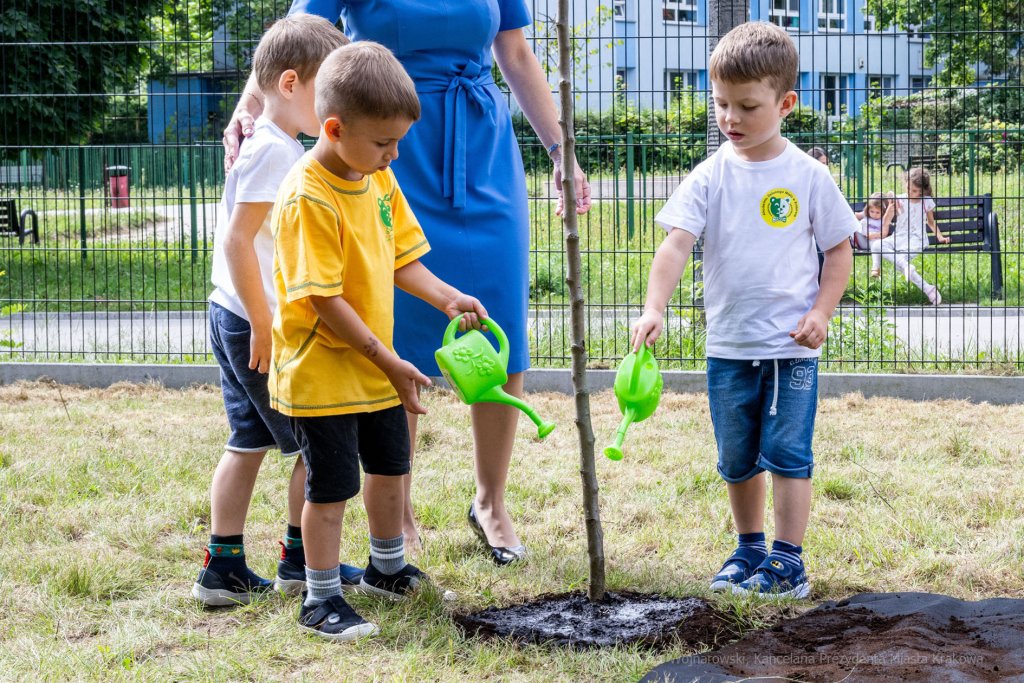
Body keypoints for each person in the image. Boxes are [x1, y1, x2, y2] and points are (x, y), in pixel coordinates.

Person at [223, 0, 593, 564]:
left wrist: (561, 150)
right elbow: (292, 40)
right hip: (380, 137)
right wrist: (251, 107)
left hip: (479, 141)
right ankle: (398, 514)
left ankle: (492, 503)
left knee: (499, 318)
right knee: (385, 319)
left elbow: (515, 50)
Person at [270, 42, 488, 640]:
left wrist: (447, 296)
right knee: (333, 487)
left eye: (398, 142)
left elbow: (402, 258)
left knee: (391, 469)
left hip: (376, 368)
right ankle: (319, 598)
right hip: (323, 374)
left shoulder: (377, 179)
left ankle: (387, 568)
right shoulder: (307, 196)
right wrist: (390, 361)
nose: (394, 155)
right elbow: (324, 300)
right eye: (383, 143)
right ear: (334, 128)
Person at [631, 22, 857, 599]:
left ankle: (789, 561)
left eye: (747, 106)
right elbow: (675, 243)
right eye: (720, 104)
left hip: (788, 348)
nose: (730, 118)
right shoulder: (710, 174)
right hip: (727, 346)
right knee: (735, 456)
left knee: (786, 451)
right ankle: (749, 547)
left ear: (786, 104)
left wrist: (822, 314)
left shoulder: (809, 176)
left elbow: (838, 252)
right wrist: (654, 306)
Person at [192, 15, 358, 607]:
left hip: (231, 310)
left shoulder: (274, 144)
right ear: (290, 84)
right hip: (254, 322)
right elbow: (240, 240)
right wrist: (265, 324)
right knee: (312, 445)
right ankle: (300, 560)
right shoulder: (273, 152)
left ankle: (223, 567)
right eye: (327, 93)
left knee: (247, 441)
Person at [870, 167, 949, 304]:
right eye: (908, 189)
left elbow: (931, 222)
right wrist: (889, 211)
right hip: (899, 236)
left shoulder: (926, 201)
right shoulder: (899, 199)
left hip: (916, 239)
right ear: (905, 183)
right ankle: (928, 289)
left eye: (914, 191)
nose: (910, 193)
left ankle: (928, 289)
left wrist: (940, 237)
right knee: (877, 245)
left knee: (900, 263)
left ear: (922, 191)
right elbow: (886, 222)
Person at [852, 192, 896, 278]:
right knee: (854, 224)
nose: (874, 214)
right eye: (872, 211)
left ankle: (875, 268)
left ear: (884, 211)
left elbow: (884, 234)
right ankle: (863, 230)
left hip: (874, 243)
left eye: (877, 212)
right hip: (862, 241)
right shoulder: (865, 215)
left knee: (876, 245)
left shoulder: (884, 220)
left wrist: (874, 235)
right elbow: (854, 215)